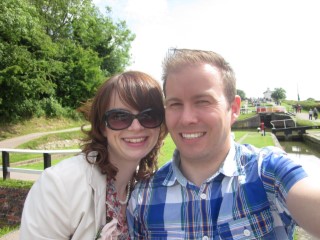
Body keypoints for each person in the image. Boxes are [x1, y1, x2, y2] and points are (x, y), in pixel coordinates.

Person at [127, 49, 320, 239]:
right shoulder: (143, 199)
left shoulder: (269, 172)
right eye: (175, 104)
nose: (186, 119)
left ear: (234, 108)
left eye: (203, 101)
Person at [20, 71, 167, 240]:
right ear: (102, 126)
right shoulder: (60, 186)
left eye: (148, 116)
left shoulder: (147, 187)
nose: (136, 127)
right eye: (119, 117)